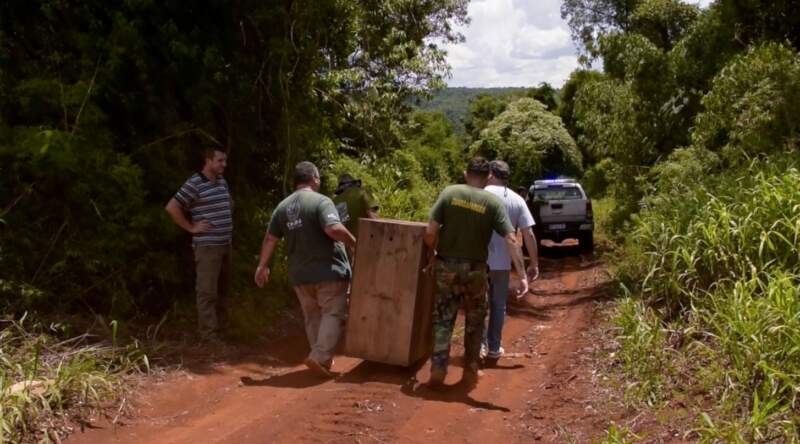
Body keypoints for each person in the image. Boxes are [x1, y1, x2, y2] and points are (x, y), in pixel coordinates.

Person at [424, 157, 529, 389]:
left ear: (465, 173)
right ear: (487, 177)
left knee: (443, 318)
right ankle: (471, 369)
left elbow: (430, 232)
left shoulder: (449, 193)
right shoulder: (492, 203)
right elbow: (511, 239)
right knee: (475, 320)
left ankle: (438, 368)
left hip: (447, 267)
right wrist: (522, 275)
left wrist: (432, 252)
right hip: (476, 271)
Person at [254, 161, 356, 378]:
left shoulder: (282, 207)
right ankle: (319, 357)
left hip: (300, 275)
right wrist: (354, 242)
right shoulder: (321, 201)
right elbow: (333, 228)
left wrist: (262, 266)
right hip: (329, 270)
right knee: (333, 312)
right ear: (314, 178)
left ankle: (320, 358)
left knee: (312, 316)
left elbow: (270, 238)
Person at [165, 147, 233, 344]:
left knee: (222, 290)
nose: (224, 164)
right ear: (208, 161)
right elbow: (172, 207)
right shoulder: (194, 183)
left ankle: (222, 330)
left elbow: (229, 202)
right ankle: (209, 335)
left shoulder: (221, 181)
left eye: (224, 160)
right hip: (208, 247)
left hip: (225, 245)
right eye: (220, 160)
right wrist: (191, 227)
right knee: (207, 291)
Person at [483, 160, 540, 361]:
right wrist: (534, 263)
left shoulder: (478, 195)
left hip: (478, 260)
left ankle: (479, 346)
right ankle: (493, 347)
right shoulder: (517, 200)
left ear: (490, 174)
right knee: (498, 305)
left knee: (479, 304)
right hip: (502, 263)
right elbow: (528, 234)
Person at [332, 174, 379, 239]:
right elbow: (373, 218)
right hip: (362, 239)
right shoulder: (362, 192)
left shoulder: (334, 201)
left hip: (342, 241)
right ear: (354, 184)